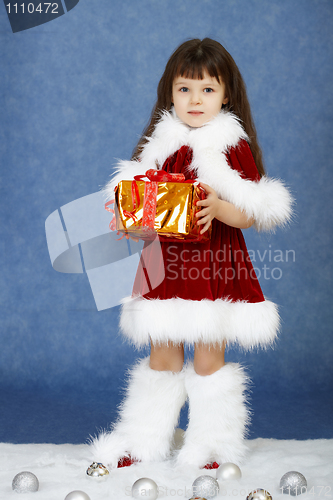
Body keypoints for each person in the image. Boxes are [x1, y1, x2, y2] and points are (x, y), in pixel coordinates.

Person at [89, 38, 293, 470]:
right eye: (185, 89)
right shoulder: (160, 144)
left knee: (208, 356)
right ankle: (143, 442)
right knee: (162, 354)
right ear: (170, 93)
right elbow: (140, 203)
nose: (195, 99)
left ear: (226, 95)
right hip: (165, 265)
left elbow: (252, 213)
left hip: (214, 265)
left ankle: (212, 447)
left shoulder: (229, 144)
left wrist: (219, 208)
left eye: (207, 90)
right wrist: (132, 219)